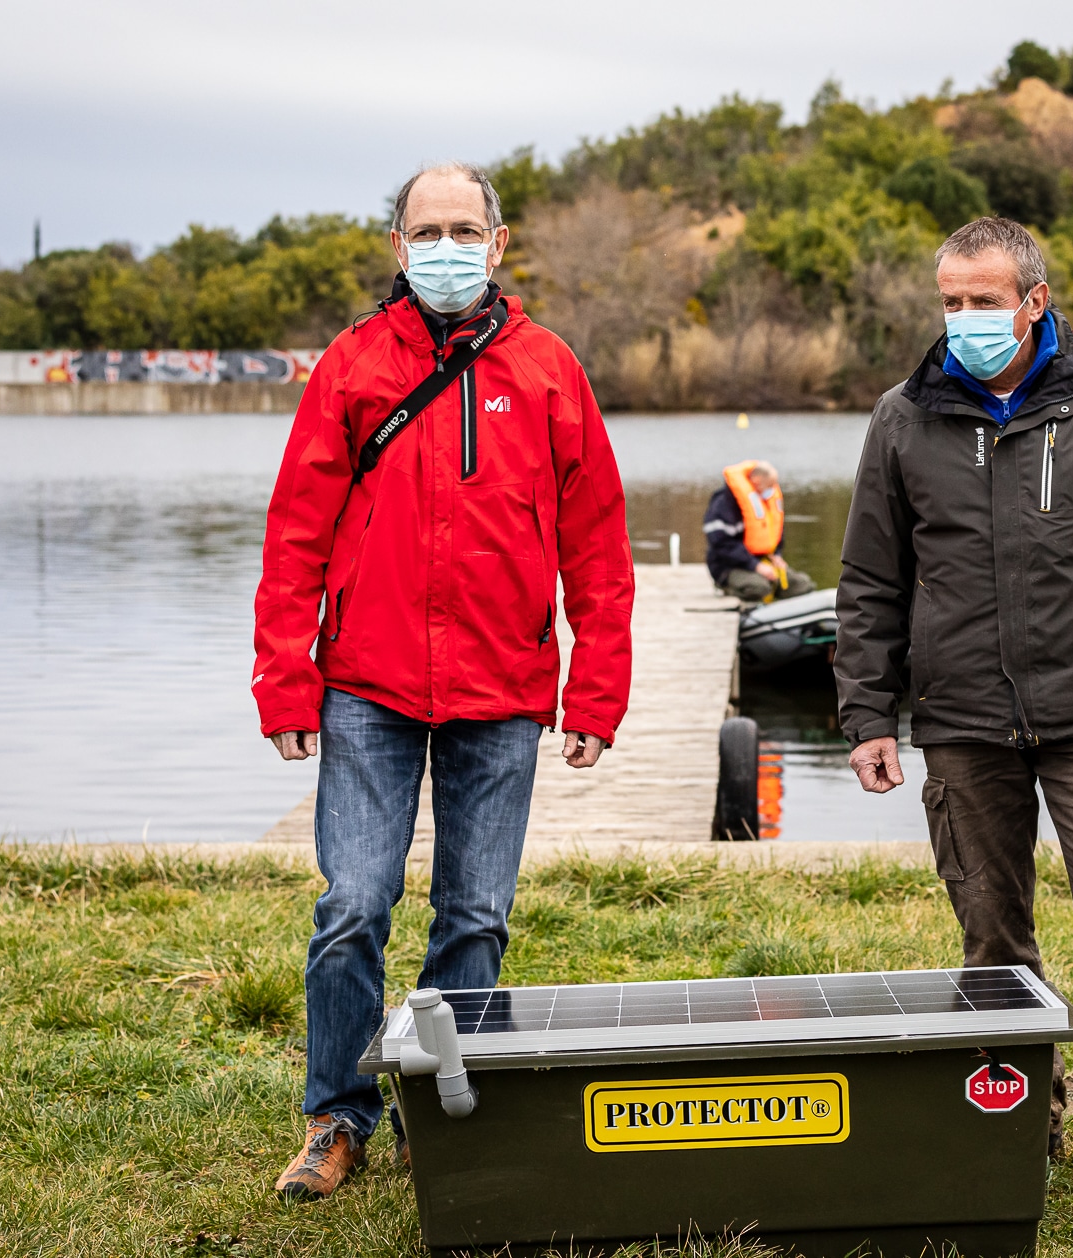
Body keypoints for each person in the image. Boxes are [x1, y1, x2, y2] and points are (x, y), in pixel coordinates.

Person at [251, 162, 635, 1201]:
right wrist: (286, 679)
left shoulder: (550, 369)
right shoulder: (351, 364)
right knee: (353, 903)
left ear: (500, 244)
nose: (446, 247)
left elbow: (599, 545)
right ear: (399, 247)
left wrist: (595, 687)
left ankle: (437, 1107)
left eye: (466, 229)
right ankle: (337, 1116)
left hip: (504, 685)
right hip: (367, 683)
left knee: (475, 912)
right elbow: (296, 530)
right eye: (428, 231)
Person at [833, 217, 1073, 1198]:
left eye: (983, 302)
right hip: (961, 724)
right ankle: (1017, 1117)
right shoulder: (901, 417)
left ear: (1034, 301)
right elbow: (871, 577)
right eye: (950, 302)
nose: (964, 320)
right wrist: (867, 711)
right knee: (994, 940)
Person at [701, 460, 814, 602]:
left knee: (802, 585)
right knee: (759, 588)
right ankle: (725, 589)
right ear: (756, 480)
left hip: (762, 561)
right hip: (728, 567)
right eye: (769, 485)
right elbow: (721, 544)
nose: (771, 490)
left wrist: (776, 555)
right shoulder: (723, 504)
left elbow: (774, 534)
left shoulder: (764, 502)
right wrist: (755, 565)